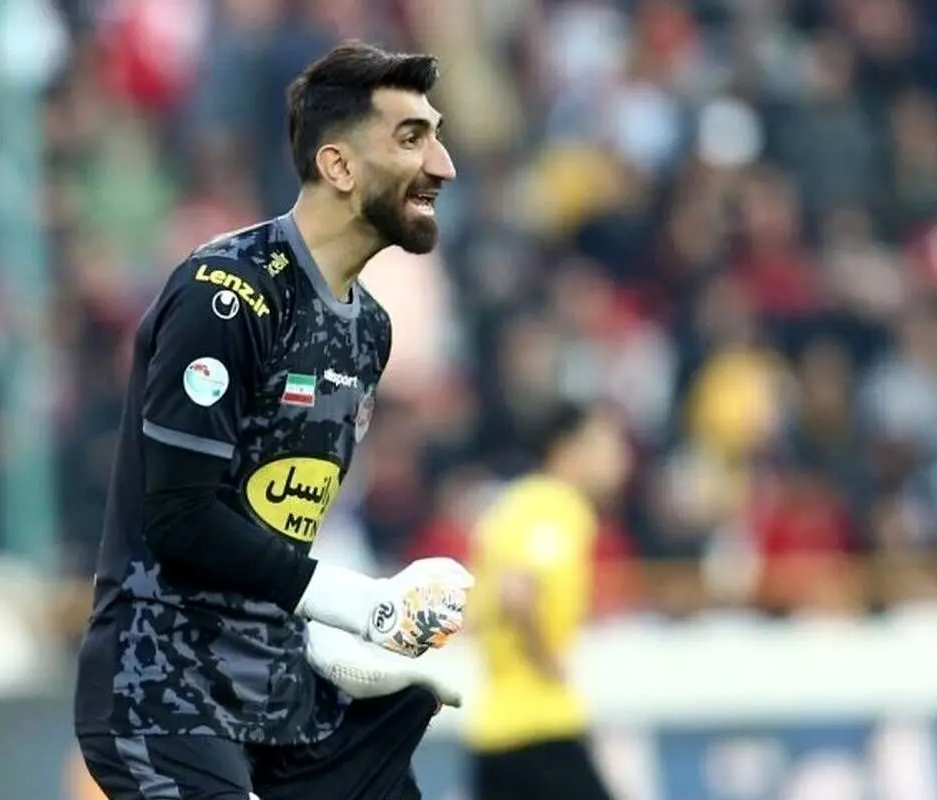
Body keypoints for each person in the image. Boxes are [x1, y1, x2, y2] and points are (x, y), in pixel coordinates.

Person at [75, 41, 466, 800]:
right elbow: (180, 517)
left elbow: (275, 527)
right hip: (163, 687)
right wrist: (357, 602)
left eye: (437, 137)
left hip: (281, 688)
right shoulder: (229, 293)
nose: (443, 165)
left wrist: (336, 646)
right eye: (411, 139)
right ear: (338, 166)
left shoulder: (368, 330)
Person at [465, 400, 632, 800]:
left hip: (495, 727)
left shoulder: (512, 505)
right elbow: (516, 592)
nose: (619, 459)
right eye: (605, 445)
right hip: (538, 726)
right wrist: (549, 661)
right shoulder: (556, 508)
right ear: (567, 450)